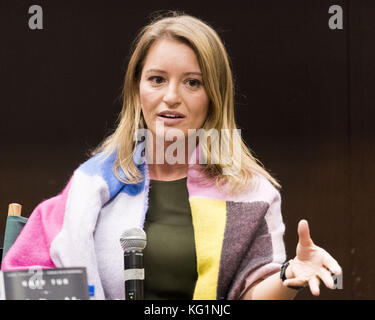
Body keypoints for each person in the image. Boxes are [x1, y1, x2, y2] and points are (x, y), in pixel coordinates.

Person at [1, 11, 341, 300]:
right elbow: (24, 283)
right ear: (137, 89)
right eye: (157, 79)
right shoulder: (90, 185)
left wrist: (288, 274)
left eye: (193, 82)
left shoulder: (251, 194)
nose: (171, 97)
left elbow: (252, 292)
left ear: (214, 96)